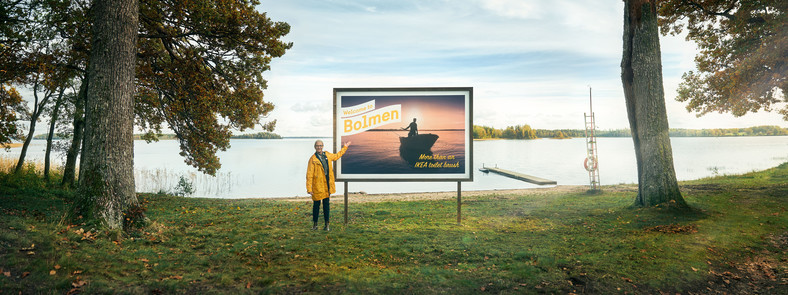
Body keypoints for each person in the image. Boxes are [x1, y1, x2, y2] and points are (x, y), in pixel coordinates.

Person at [306, 140, 351, 231]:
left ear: (323, 146)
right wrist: (309, 188)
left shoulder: (327, 155)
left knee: (326, 206)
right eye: (317, 146)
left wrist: (345, 147)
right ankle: (315, 225)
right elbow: (309, 175)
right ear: (315, 147)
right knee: (316, 206)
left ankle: (327, 225)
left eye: (320, 145)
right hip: (317, 187)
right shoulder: (312, 159)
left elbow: (337, 156)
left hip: (327, 186)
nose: (319, 147)